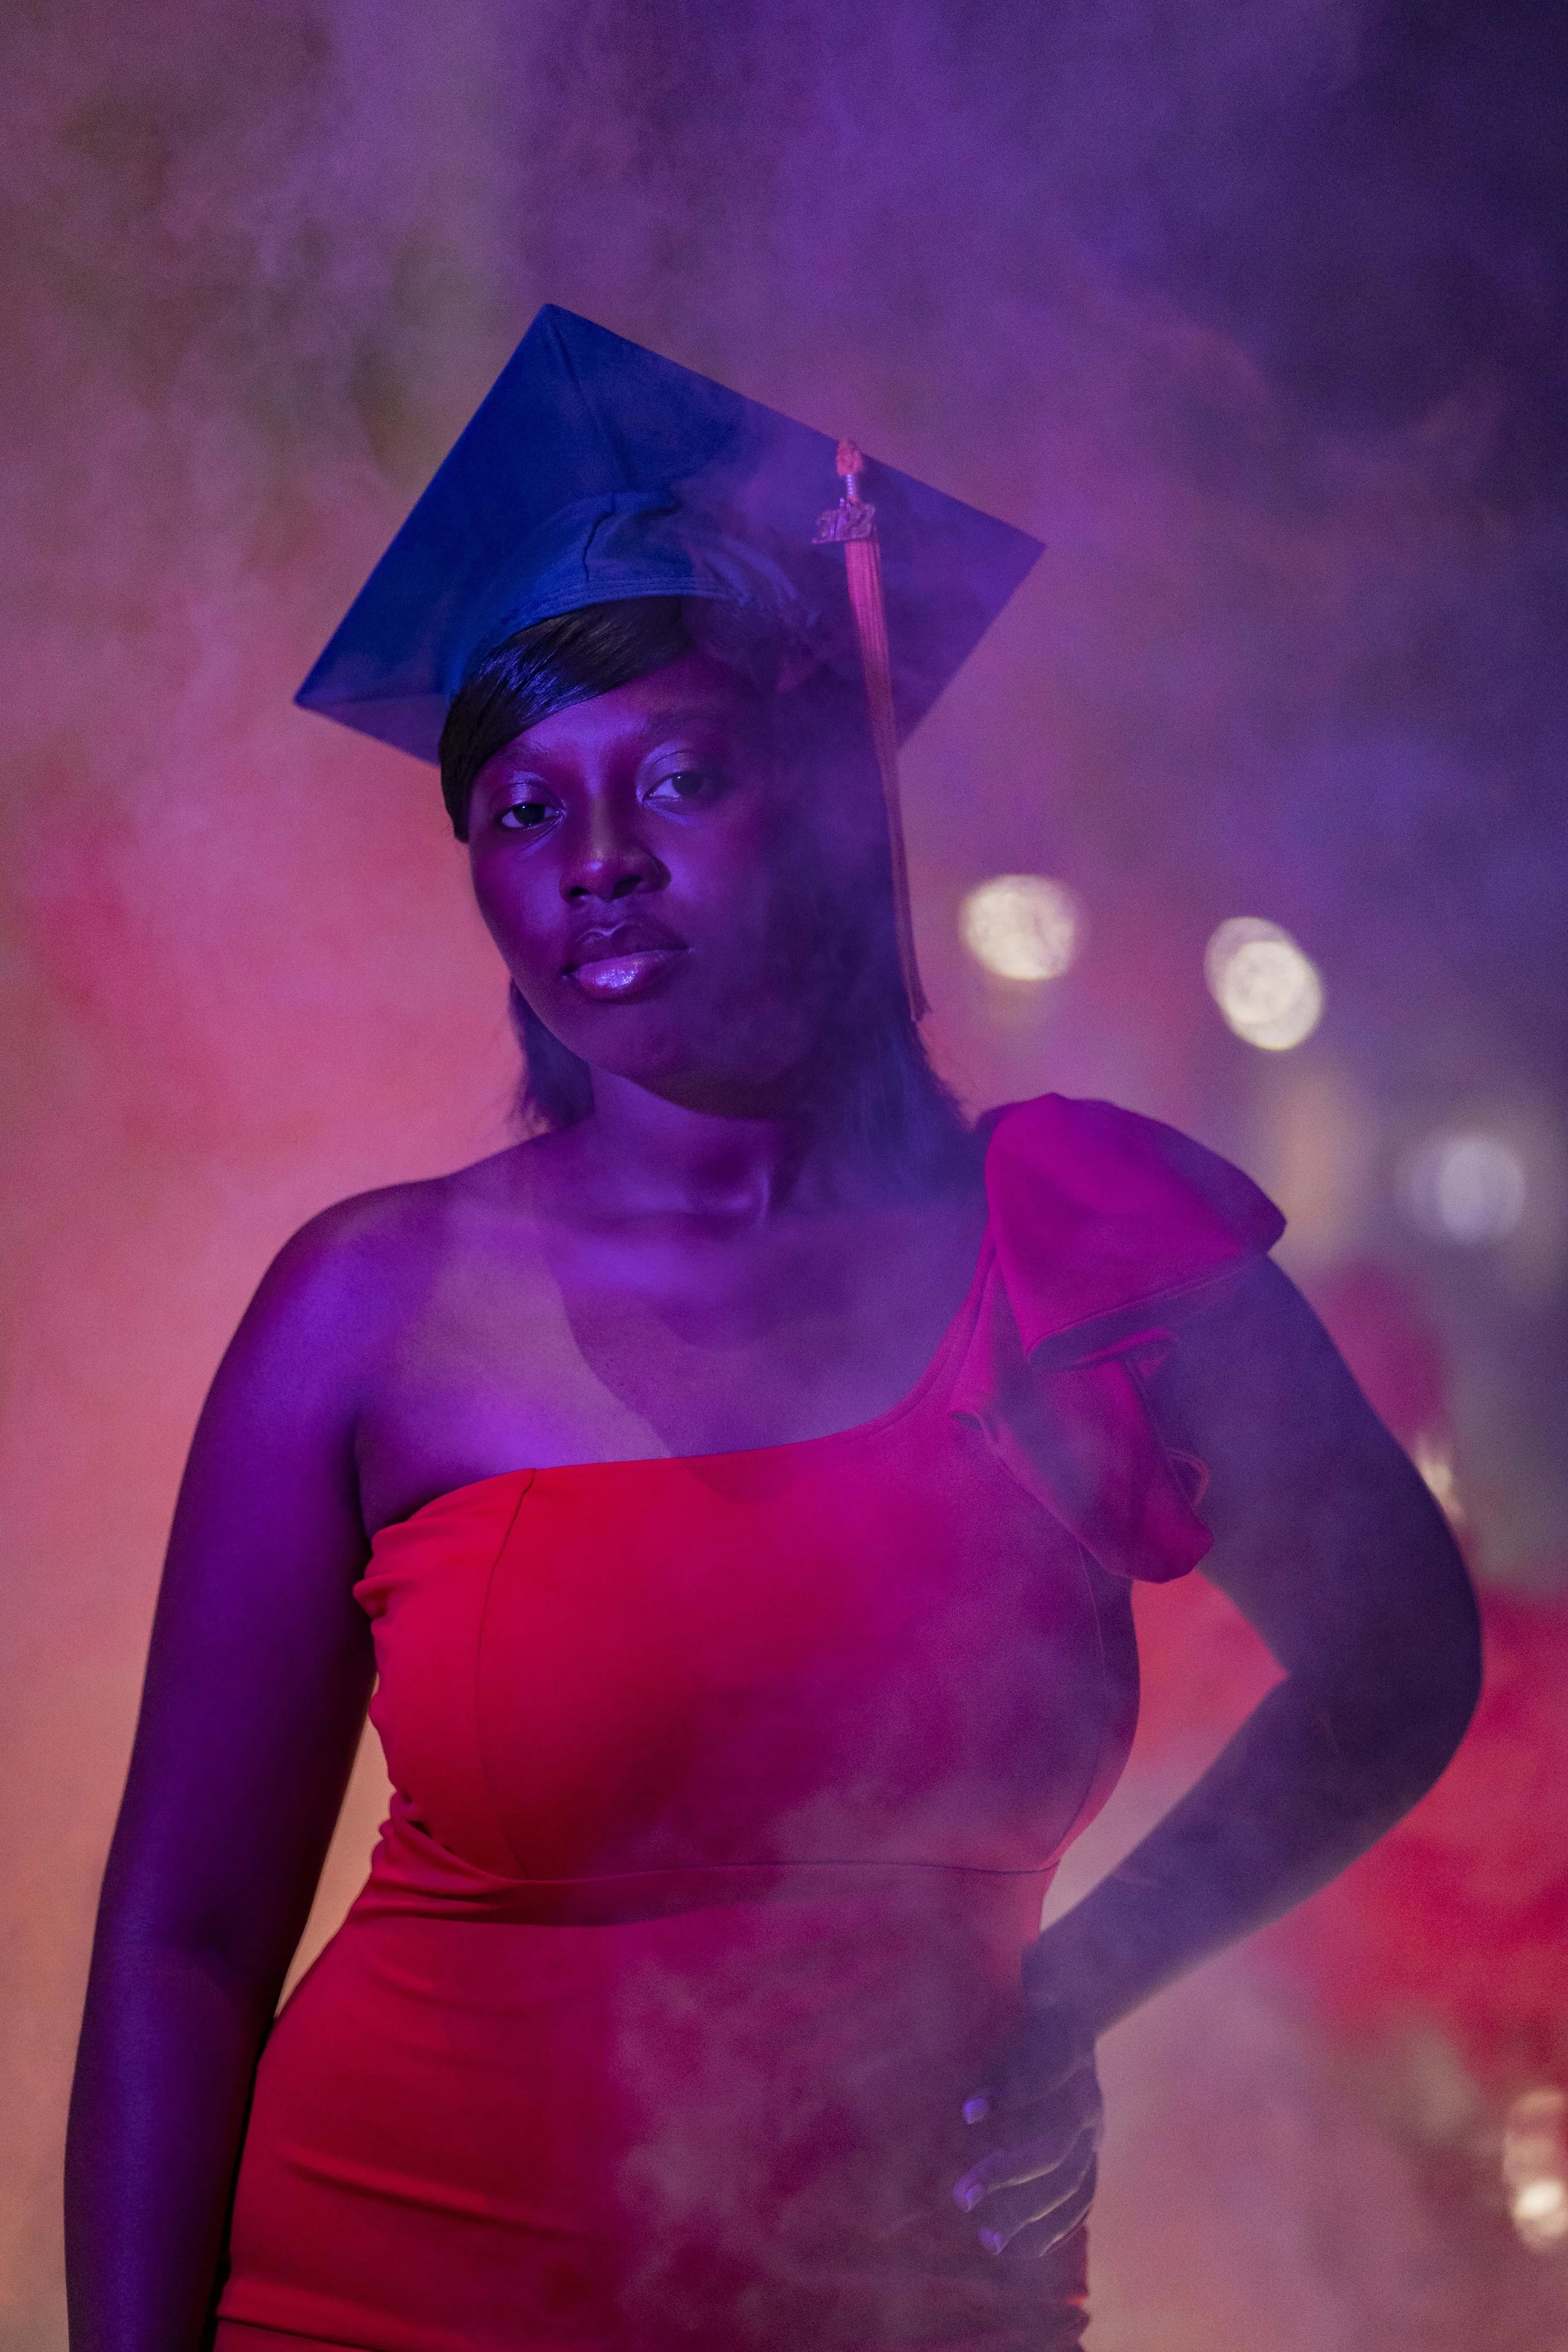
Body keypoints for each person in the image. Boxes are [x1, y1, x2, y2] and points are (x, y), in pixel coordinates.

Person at [65, 308, 1481, 2352]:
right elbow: (184, 1942)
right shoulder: (371, 1304)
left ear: (832, 794)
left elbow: (1396, 1657)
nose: (600, 858)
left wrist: (1078, 1986)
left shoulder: (1073, 1238)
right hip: (372, 2295)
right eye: (524, 808)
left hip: (906, 2298)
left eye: (676, 771)